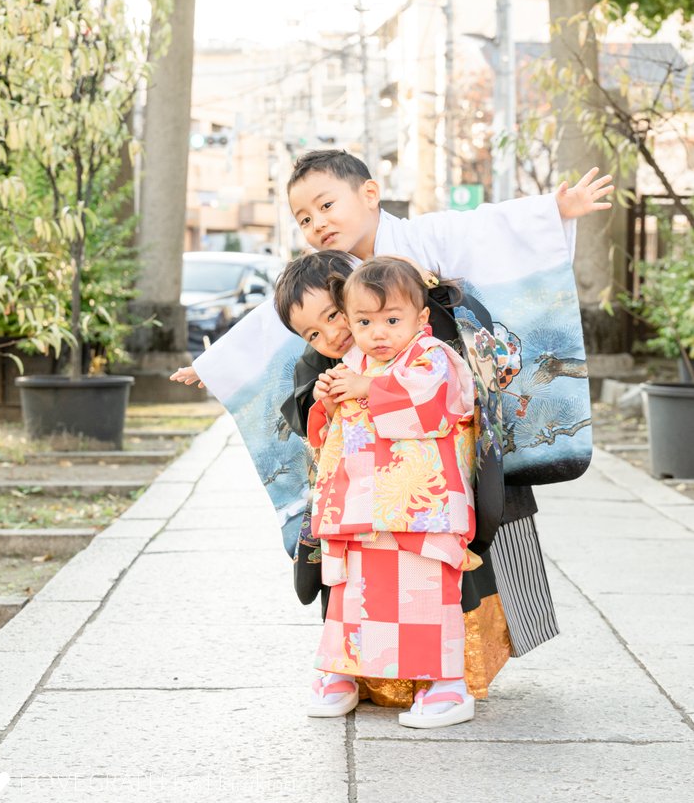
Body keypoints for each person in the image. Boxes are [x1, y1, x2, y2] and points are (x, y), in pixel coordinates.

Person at [171, 150, 612, 671]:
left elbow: (484, 228)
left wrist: (551, 211)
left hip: (445, 425)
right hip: (369, 452)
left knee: (473, 531)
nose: (318, 223)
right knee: (364, 553)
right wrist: (218, 362)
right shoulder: (327, 275)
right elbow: (274, 322)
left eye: (327, 204)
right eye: (305, 218)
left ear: (370, 194)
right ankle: (368, 666)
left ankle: (464, 662)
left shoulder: (424, 239)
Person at [274, 249, 511, 712]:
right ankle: (342, 673)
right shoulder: (355, 364)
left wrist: (369, 391)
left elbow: (437, 404)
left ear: (420, 318)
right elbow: (324, 436)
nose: (376, 334)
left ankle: (446, 685)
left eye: (390, 321)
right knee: (354, 597)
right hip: (359, 509)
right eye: (364, 323)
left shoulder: (433, 356)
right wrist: (326, 399)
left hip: (420, 509)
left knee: (424, 598)